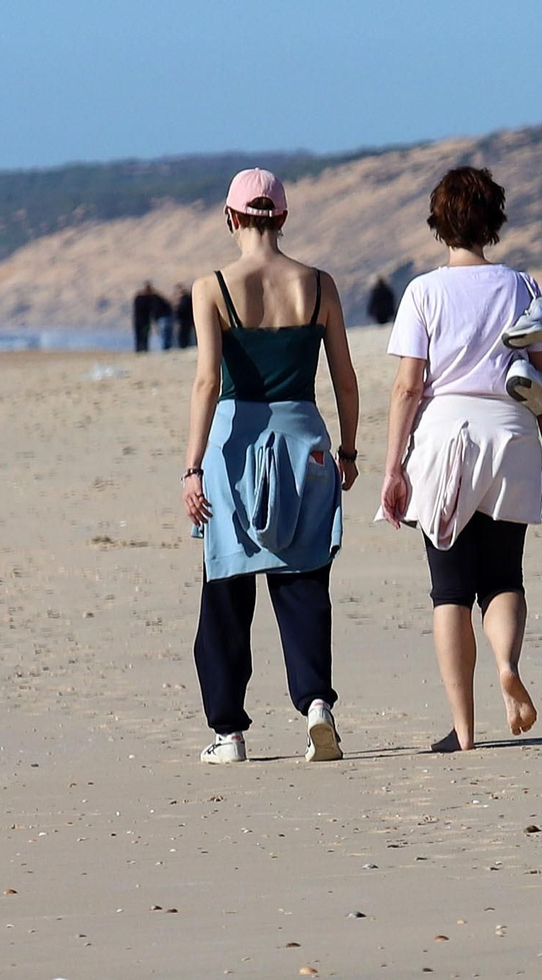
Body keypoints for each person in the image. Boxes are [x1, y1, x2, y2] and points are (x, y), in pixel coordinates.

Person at [378, 167, 542, 752]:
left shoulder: (424, 292)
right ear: (495, 222)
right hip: (511, 431)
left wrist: (392, 467)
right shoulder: (523, 288)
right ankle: (506, 665)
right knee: (504, 574)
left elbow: (409, 387)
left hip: (446, 440)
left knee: (450, 588)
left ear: (440, 225)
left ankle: (463, 731)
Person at [181, 168, 360, 765]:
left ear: (231, 218)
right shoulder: (318, 284)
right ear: (282, 218)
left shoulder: (212, 287)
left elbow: (208, 381)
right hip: (305, 439)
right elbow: (344, 378)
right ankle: (316, 707)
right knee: (303, 579)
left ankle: (228, 733)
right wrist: (349, 451)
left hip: (236, 441)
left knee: (227, 587)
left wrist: (191, 468)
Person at [132, 282, 170, 352]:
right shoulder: (142, 298)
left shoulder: (145, 297)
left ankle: (142, 349)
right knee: (141, 335)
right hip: (141, 320)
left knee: (144, 335)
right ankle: (140, 349)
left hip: (144, 320)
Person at [171, 283, 195, 349]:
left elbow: (183, 309)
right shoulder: (184, 298)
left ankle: (184, 346)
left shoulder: (185, 299)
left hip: (184, 320)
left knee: (183, 334)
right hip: (184, 320)